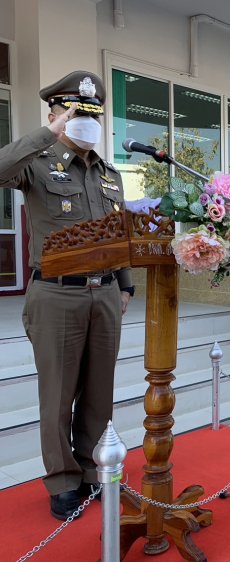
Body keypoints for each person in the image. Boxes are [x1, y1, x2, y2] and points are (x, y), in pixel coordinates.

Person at [0, 71, 134, 521]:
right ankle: (62, 480)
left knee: (100, 392)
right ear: (55, 113)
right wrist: (48, 135)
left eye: (93, 114)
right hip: (57, 296)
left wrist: (126, 284)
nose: (85, 122)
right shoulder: (36, 164)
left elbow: (119, 234)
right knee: (57, 394)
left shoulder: (110, 174)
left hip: (105, 294)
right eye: (76, 112)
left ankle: (95, 470)